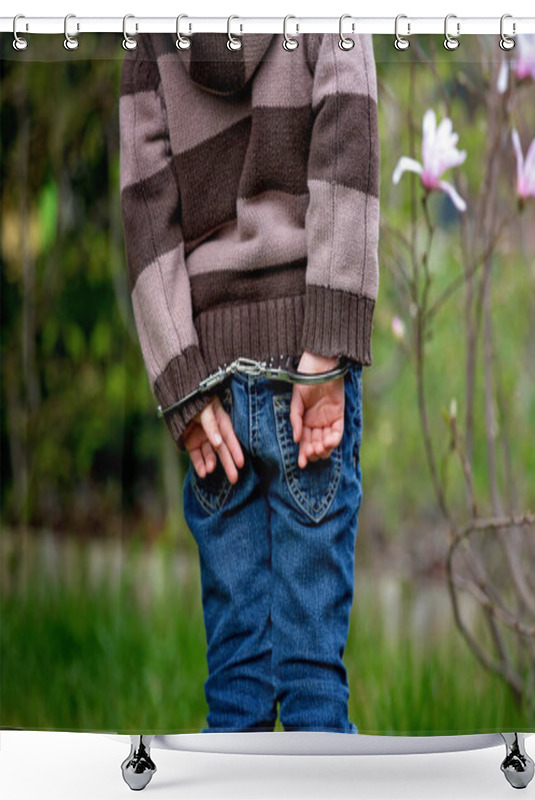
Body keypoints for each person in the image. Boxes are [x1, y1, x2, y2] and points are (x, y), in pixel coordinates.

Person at [119, 31, 379, 734]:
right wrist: (325, 350)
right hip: (307, 379)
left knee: (237, 687)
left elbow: (145, 207)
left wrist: (183, 381)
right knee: (313, 683)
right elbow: (346, 139)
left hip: (213, 388)